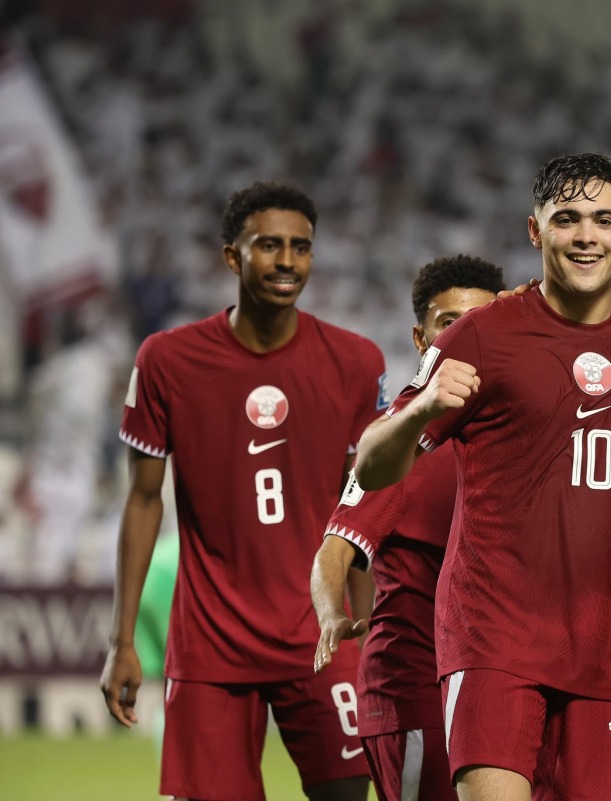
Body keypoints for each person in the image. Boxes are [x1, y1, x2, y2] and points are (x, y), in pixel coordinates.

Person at [353, 153, 611, 801]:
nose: (587, 236)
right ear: (535, 230)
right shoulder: (479, 336)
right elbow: (373, 465)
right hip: (492, 642)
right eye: (568, 219)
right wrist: (426, 409)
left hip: (601, 655)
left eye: (604, 220)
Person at [100, 181, 384, 801]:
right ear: (232, 256)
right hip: (210, 647)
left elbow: (361, 505)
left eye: (301, 248)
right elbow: (144, 500)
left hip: (321, 633)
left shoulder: (356, 363)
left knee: (347, 795)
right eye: (270, 246)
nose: (287, 262)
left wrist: (366, 633)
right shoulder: (167, 361)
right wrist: (121, 642)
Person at [312, 254, 507, 801]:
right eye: (452, 323)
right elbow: (337, 545)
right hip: (416, 691)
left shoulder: (518, 432)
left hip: (502, 686)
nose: (470, 335)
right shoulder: (398, 441)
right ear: (422, 338)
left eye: (483, 322)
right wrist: (332, 613)